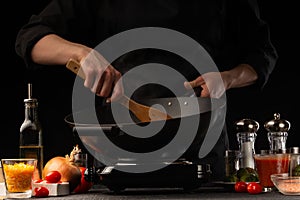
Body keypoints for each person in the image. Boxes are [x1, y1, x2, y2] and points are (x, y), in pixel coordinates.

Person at [15, 0, 278, 182]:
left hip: (201, 148)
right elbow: (31, 39)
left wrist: (228, 78)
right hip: (117, 152)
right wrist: (80, 53)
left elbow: (262, 53)